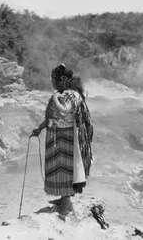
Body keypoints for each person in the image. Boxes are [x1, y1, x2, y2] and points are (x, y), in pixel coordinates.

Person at [31, 64, 93, 214]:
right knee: (59, 169)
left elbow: (63, 113)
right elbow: (52, 118)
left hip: (67, 139)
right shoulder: (63, 93)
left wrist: (54, 98)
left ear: (62, 80)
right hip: (58, 137)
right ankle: (63, 198)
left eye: (53, 79)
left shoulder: (71, 95)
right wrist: (39, 129)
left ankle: (66, 205)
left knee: (66, 170)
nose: (51, 82)